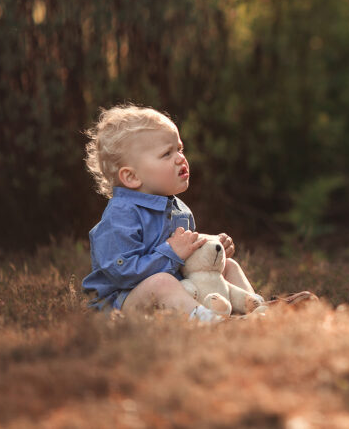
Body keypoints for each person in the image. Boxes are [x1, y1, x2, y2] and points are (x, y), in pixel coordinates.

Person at [81, 104, 259, 322]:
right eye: (167, 153)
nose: (180, 158)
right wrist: (171, 252)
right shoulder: (121, 215)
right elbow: (122, 274)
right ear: (131, 177)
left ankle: (258, 308)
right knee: (162, 282)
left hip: (173, 293)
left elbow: (184, 261)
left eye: (180, 149)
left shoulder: (178, 208)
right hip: (121, 304)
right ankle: (212, 322)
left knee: (229, 267)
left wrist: (209, 250)